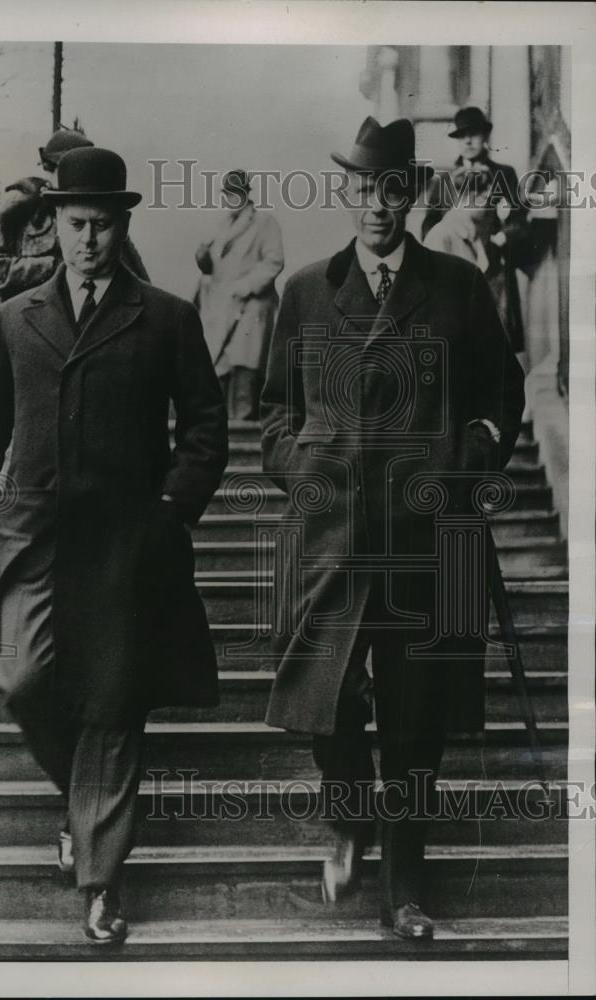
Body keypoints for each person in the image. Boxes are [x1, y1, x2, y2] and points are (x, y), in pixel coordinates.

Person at [0, 147, 228, 944]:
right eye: (75, 225)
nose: (88, 242)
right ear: (54, 224)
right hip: (35, 544)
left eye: (102, 227)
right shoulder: (15, 316)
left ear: (122, 226)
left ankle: (101, 884)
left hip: (125, 551)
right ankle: (83, 807)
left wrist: (169, 511)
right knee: (24, 678)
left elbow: (205, 431)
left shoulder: (166, 316)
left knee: (110, 708)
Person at [260, 116, 524, 940]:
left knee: (415, 725)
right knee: (324, 707)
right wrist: (300, 468)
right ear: (344, 194)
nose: (376, 205)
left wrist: (470, 457)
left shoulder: (455, 287)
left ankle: (404, 890)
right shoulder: (305, 289)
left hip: (429, 540)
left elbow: (499, 397)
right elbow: (275, 412)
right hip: (331, 541)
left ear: (411, 196)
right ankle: (349, 815)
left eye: (391, 190)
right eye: (362, 189)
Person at [0, 128, 149, 309]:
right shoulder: (19, 202)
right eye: (74, 169)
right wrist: (55, 266)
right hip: (21, 318)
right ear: (49, 167)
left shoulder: (98, 212)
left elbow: (128, 276)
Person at [422, 106, 534, 353]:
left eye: (474, 134)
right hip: (454, 269)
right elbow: (428, 226)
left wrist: (503, 237)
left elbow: (519, 219)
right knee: (457, 338)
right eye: (462, 135)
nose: (469, 140)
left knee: (495, 341)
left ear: (485, 137)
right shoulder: (444, 180)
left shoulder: (503, 174)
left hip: (493, 268)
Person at [195, 169, 284, 420]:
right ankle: (224, 431)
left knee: (246, 364)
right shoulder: (222, 227)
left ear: (246, 194)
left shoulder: (264, 222)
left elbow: (274, 261)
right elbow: (214, 269)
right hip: (222, 306)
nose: (232, 199)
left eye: (237, 194)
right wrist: (203, 259)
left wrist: (246, 286)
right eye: (228, 195)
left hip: (251, 306)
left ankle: (244, 432)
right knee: (220, 366)